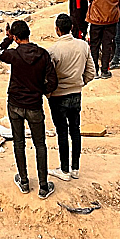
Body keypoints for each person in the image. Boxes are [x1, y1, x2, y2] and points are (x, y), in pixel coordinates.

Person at [0, 20, 58, 199]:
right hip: (34, 105)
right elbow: (53, 82)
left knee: (19, 143)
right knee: (40, 144)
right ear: (29, 33)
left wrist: (7, 39)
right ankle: (43, 186)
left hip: (15, 104)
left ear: (15, 37)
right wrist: (41, 91)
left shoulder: (14, 54)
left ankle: (23, 180)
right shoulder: (43, 54)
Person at [46, 14, 94, 182]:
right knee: (75, 131)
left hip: (58, 95)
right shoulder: (83, 45)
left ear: (57, 29)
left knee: (62, 133)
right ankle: (75, 168)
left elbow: (49, 77)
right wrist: (79, 84)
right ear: (71, 27)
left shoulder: (53, 50)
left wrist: (49, 92)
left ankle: (64, 169)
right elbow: (91, 72)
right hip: (76, 93)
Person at [86, 0, 120, 78]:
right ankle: (105, 70)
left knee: (94, 45)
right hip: (111, 19)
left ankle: (95, 70)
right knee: (107, 45)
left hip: (96, 19)